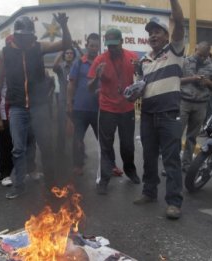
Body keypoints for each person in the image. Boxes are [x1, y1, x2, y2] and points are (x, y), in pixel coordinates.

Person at [0, 14, 72, 199]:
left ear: (32, 36)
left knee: (46, 146)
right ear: (16, 35)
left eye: (28, 35)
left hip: (39, 106)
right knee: (18, 149)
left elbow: (65, 44)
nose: (25, 39)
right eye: (22, 36)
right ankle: (19, 186)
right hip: (17, 108)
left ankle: (51, 187)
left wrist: (64, 26)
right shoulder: (6, 53)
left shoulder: (39, 47)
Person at [131, 0, 185, 220]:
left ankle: (174, 202)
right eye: (150, 33)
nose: (153, 36)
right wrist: (132, 93)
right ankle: (149, 192)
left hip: (169, 115)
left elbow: (180, 22)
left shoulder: (175, 51)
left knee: (171, 160)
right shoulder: (143, 61)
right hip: (147, 115)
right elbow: (137, 89)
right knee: (149, 157)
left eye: (157, 32)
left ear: (166, 35)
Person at [87, 28, 141, 195]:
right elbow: (89, 89)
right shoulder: (100, 60)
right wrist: (97, 77)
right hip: (107, 109)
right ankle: (104, 178)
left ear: (121, 42)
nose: (112, 49)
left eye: (115, 45)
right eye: (109, 46)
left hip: (127, 109)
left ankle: (130, 170)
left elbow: (140, 80)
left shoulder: (132, 57)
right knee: (106, 146)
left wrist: (137, 90)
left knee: (127, 145)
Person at [0, 36, 42, 187]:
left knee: (30, 141)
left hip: (25, 109)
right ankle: (4, 173)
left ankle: (31, 168)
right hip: (6, 110)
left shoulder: (24, 62)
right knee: (6, 144)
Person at [180, 41, 212, 173]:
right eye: (200, 54)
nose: (202, 58)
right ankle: (172, 164)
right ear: (195, 49)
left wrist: (208, 82)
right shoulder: (184, 62)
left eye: (205, 56)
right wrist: (192, 79)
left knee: (192, 137)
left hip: (201, 105)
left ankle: (186, 164)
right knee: (176, 134)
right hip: (183, 102)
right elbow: (176, 80)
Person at [67, 33, 100, 176]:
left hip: (99, 109)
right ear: (86, 46)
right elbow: (71, 84)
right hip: (80, 109)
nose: (94, 48)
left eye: (96, 46)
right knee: (77, 139)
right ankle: (78, 165)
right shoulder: (79, 63)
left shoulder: (102, 63)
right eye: (91, 45)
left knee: (104, 140)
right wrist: (69, 103)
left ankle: (108, 166)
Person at [53, 47, 76, 153]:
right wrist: (61, 50)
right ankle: (60, 149)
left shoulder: (77, 66)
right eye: (67, 53)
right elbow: (54, 66)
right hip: (63, 100)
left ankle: (78, 150)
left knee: (78, 126)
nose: (69, 55)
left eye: (71, 53)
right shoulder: (61, 67)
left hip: (75, 100)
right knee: (62, 125)